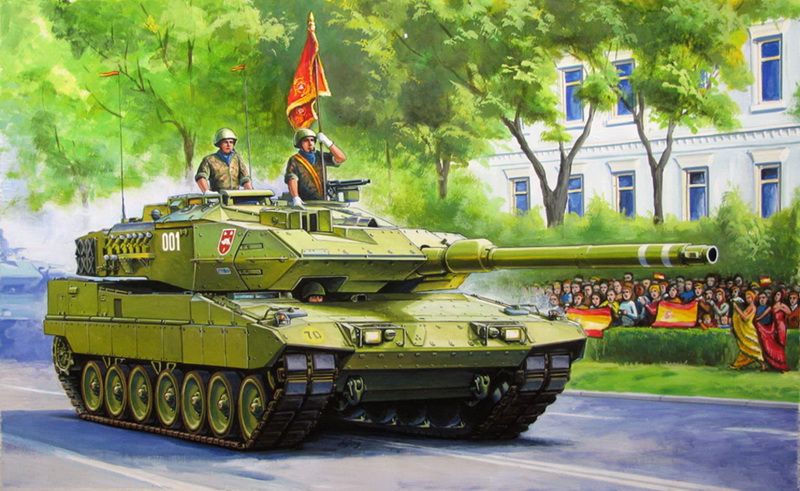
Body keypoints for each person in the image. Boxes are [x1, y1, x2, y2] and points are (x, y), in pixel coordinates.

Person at [284, 128, 347, 209]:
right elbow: (292, 179)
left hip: (322, 202)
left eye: (312, 140)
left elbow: (341, 158)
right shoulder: (295, 160)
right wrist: (296, 197)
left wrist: (327, 142)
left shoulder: (320, 156)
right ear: (300, 144)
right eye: (306, 140)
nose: (310, 143)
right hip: (305, 202)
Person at [195, 128, 253, 193]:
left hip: (235, 195)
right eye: (225, 142)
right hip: (218, 196)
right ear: (219, 144)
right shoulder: (209, 159)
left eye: (231, 142)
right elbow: (201, 177)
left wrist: (250, 192)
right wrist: (207, 192)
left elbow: (245, 179)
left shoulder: (237, 158)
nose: (228, 145)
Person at [730, 290, 765, 370]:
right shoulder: (748, 307)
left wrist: (737, 309)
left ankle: (763, 364)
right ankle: (739, 364)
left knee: (753, 348)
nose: (747, 299)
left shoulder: (753, 308)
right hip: (745, 328)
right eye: (746, 298)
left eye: (749, 297)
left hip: (749, 329)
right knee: (745, 347)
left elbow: (745, 318)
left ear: (753, 298)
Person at [754, 291, 788, 371]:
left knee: (776, 346)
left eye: (763, 297)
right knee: (765, 346)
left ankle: (780, 365)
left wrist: (781, 308)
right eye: (760, 298)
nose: (762, 299)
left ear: (767, 299)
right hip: (766, 328)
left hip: (774, 328)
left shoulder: (770, 307)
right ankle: (770, 365)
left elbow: (762, 317)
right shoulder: (758, 308)